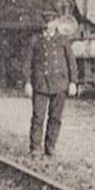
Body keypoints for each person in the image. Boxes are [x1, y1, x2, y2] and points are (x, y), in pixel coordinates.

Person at [23, 12, 78, 157]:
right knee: (38, 117)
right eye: (46, 22)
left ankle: (50, 146)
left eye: (52, 22)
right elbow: (27, 63)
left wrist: (73, 82)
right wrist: (27, 82)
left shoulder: (63, 40)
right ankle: (35, 147)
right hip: (40, 84)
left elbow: (71, 62)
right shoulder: (35, 40)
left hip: (59, 84)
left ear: (56, 23)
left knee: (55, 118)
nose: (49, 25)